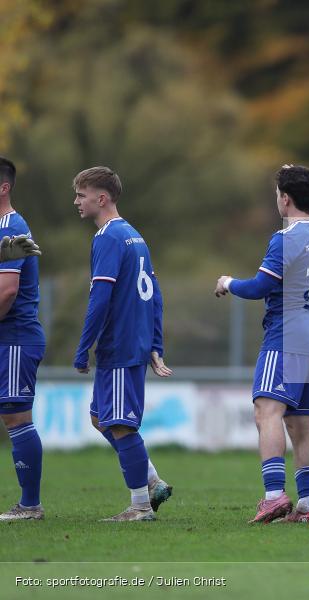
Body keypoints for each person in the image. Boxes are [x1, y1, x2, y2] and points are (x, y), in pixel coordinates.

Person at [216, 164, 309, 525]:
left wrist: (228, 281)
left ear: (285, 199)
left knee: (266, 413)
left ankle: (273, 497)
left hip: (284, 338)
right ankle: (307, 506)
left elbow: (258, 287)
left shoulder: (285, 239)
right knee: (302, 428)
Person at [72, 166, 173, 521]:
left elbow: (99, 299)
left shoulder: (108, 238)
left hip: (120, 343)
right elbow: (155, 294)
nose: (76, 202)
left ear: (101, 198)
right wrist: (156, 343)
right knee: (100, 417)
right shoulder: (134, 235)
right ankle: (151, 481)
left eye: (81, 195)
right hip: (136, 339)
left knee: (120, 424)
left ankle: (140, 506)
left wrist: (84, 347)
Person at [0, 156, 46, 521]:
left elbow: (7, 292)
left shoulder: (11, 227)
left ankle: (30, 505)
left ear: (4, 187)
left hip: (14, 337)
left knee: (17, 418)